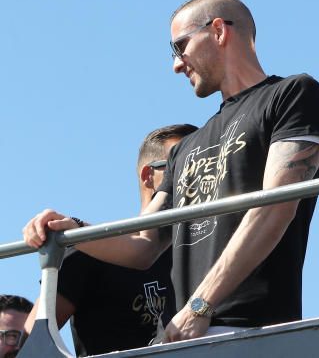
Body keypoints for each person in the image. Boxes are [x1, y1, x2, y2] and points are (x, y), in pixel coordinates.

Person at [24, 0, 319, 342]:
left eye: (180, 46)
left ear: (218, 30)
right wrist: (72, 229)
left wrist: (200, 306)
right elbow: (143, 243)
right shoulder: (185, 148)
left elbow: (275, 207)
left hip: (253, 330)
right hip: (186, 335)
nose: (177, 64)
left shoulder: (293, 95)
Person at [24, 124, 197, 356]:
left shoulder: (203, 251)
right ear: (148, 177)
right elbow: (33, 341)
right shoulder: (89, 251)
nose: (195, 173)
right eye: (181, 164)